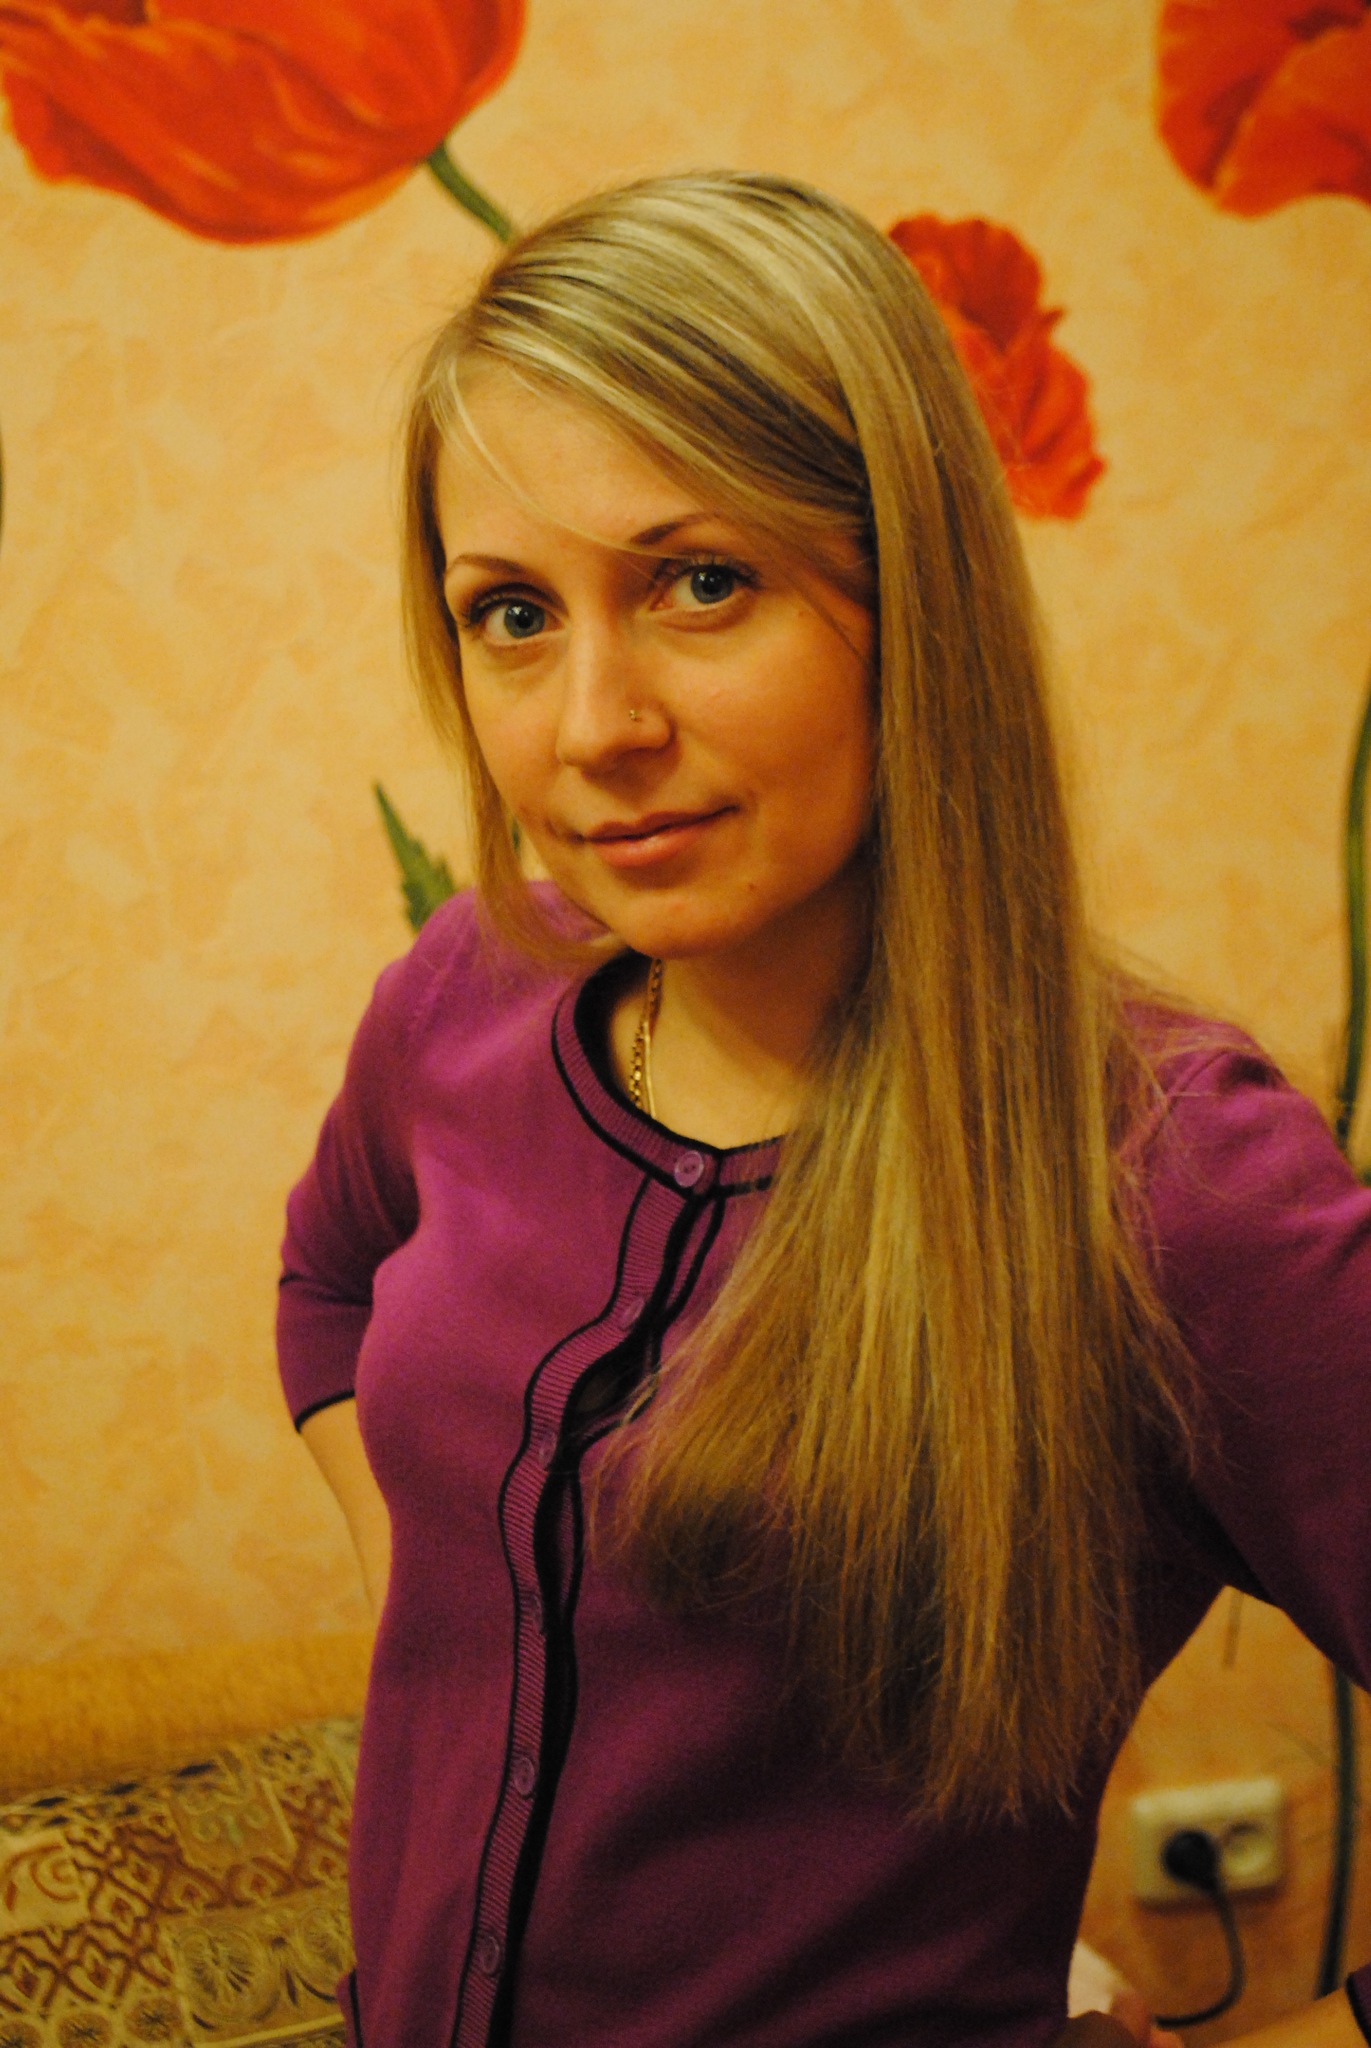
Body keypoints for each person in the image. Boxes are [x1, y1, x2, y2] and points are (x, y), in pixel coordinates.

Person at [277, 171, 1371, 2048]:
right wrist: (445, 1609)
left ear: (911, 600)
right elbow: (326, 1282)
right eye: (512, 613)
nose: (593, 724)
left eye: (701, 582)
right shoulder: (470, 992)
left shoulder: (1171, 1181)